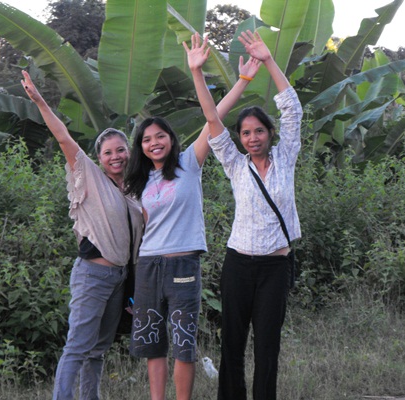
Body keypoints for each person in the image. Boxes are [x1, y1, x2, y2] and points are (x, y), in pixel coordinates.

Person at [123, 36, 261, 400]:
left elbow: (214, 117)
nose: (154, 142)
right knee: (152, 342)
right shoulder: (136, 182)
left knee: (183, 342)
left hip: (184, 263)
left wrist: (235, 79)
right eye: (146, 139)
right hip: (148, 267)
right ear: (140, 146)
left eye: (160, 136)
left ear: (171, 139)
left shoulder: (189, 165)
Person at [187, 30, 303, 400]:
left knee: (268, 346)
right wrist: (197, 73)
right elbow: (211, 119)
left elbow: (293, 109)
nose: (252, 138)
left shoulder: (286, 158)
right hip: (238, 264)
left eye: (259, 131)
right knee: (232, 344)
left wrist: (268, 60)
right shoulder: (236, 166)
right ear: (239, 138)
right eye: (246, 133)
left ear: (269, 133)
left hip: (275, 267)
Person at [21, 70, 144, 400]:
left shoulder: (137, 189)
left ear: (129, 152)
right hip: (93, 275)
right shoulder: (89, 177)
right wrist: (39, 101)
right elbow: (63, 138)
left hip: (121, 278)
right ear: (99, 159)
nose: (116, 156)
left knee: (99, 349)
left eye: (121, 150)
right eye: (108, 153)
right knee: (78, 346)